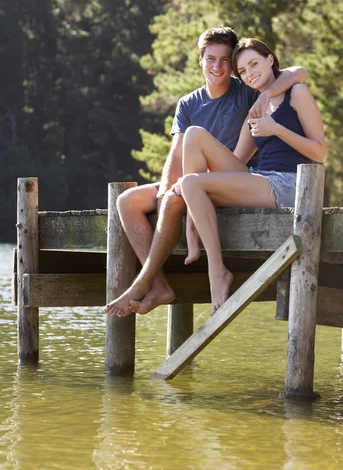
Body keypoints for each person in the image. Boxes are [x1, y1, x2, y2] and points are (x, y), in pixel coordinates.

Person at [103, 28, 308, 317]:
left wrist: (267, 95)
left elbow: (297, 72)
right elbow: (176, 154)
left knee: (181, 187)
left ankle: (141, 284)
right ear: (200, 60)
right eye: (211, 59)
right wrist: (164, 190)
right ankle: (160, 287)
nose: (218, 66)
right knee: (128, 201)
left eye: (226, 60)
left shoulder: (247, 89)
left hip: (233, 177)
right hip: (195, 178)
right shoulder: (188, 103)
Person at [161, 37, 328, 315]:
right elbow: (236, 162)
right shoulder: (255, 108)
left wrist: (276, 129)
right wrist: (203, 186)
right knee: (193, 136)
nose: (250, 73)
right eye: (243, 71)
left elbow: (320, 153)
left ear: (270, 59)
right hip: (260, 178)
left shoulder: (296, 93)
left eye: (254, 64)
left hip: (289, 184)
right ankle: (193, 220)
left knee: (191, 182)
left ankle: (217, 271)